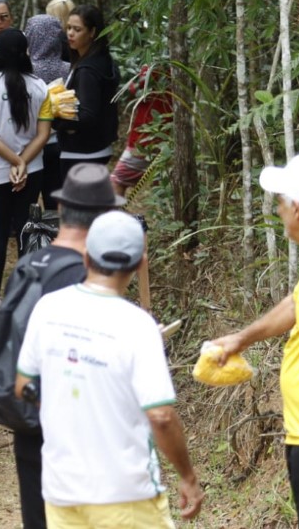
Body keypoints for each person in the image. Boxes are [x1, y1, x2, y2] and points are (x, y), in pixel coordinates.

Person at [16, 211, 203, 526]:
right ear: (140, 262)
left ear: (86, 256)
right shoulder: (138, 326)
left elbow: (24, 386)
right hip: (125, 495)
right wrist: (188, 476)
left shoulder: (48, 307)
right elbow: (161, 415)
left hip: (62, 489)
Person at [3, 162, 125, 529]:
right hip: (72, 424)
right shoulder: (81, 274)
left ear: (63, 210)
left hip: (27, 415)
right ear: (102, 219)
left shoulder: (28, 265)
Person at [211, 154, 299, 529]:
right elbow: (297, 303)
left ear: (298, 209)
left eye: (282, 201)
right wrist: (242, 338)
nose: (278, 208)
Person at [0, 29, 54, 300]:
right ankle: (25, 293)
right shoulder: (40, 87)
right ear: (25, 53)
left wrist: (12, 162)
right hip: (33, 169)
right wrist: (22, 163)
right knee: (25, 228)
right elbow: (43, 134)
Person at [55, 4, 119, 183]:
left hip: (83, 152)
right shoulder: (102, 61)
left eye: (77, 29)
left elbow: (88, 115)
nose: (70, 34)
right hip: (95, 148)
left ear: (92, 32)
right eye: (68, 28)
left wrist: (54, 120)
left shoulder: (88, 70)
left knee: (79, 208)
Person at [24, 14, 71, 209]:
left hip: (31, 145)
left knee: (29, 200)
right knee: (54, 197)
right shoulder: (69, 68)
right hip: (61, 141)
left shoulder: (26, 71)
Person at [111, 63, 171, 197]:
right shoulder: (175, 68)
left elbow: (136, 90)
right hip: (165, 135)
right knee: (161, 184)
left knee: (117, 180)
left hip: (146, 137)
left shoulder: (155, 66)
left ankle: (116, 217)